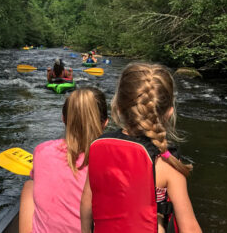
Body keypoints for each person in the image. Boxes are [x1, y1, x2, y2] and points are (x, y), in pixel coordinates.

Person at [81, 63, 202, 233]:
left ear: (118, 107)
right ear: (169, 112)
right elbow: (189, 227)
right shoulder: (167, 163)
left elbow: (87, 202)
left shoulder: (99, 147)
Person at [19, 88, 109, 233]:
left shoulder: (41, 150)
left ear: (63, 119)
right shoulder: (110, 160)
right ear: (105, 123)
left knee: (29, 186)